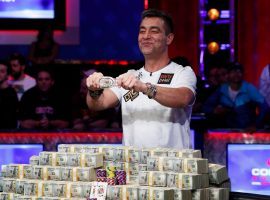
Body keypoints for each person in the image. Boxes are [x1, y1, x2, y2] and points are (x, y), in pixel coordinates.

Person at [86, 9, 197, 149]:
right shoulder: (129, 75)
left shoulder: (182, 72)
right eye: (142, 31)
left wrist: (144, 87)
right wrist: (94, 89)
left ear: (169, 38)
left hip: (171, 166)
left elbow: (183, 98)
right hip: (134, 166)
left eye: (154, 31)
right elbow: (98, 104)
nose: (146, 36)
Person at [203, 62, 268, 130]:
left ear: (243, 74)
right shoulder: (222, 89)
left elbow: (264, 107)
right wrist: (214, 110)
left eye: (239, 71)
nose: (236, 74)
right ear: (228, 74)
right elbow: (206, 106)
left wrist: (256, 125)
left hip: (246, 132)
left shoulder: (249, 88)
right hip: (226, 132)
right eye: (233, 71)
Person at [0, 61, 19, 129]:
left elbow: (10, 118)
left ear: (7, 75)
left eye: (2, 71)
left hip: (6, 132)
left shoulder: (11, 93)